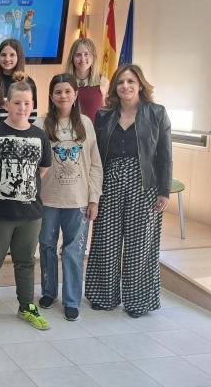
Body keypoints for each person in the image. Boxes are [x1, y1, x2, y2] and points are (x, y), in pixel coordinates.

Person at [84, 64, 172, 318]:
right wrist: (93, 192)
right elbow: (96, 155)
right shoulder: (103, 115)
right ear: (114, 87)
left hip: (144, 184)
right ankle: (103, 296)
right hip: (109, 182)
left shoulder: (157, 113)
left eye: (131, 81)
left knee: (139, 244)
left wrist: (164, 191)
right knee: (105, 241)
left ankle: (138, 301)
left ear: (140, 84)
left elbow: (165, 155)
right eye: (121, 82)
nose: (125, 86)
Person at [0, 76, 52, 331]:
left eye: (27, 103)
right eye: (17, 102)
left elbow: (43, 168)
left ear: (33, 105)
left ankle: (26, 305)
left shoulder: (40, 136)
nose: (22, 108)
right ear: (7, 105)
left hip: (30, 213)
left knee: (25, 260)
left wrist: (25, 188)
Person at [34, 73, 103, 322]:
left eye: (67, 91)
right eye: (58, 92)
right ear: (51, 96)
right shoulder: (41, 123)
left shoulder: (86, 123)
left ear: (75, 95)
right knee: (47, 247)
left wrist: (93, 198)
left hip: (78, 200)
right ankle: (49, 292)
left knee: (74, 251)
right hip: (48, 199)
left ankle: (72, 299)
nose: (63, 95)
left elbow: (95, 163)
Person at [65, 37, 108, 122]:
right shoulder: (64, 82)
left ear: (93, 57)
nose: (82, 59)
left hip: (96, 133)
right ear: (72, 58)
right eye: (78, 55)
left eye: (86, 54)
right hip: (70, 132)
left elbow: (108, 114)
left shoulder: (103, 81)